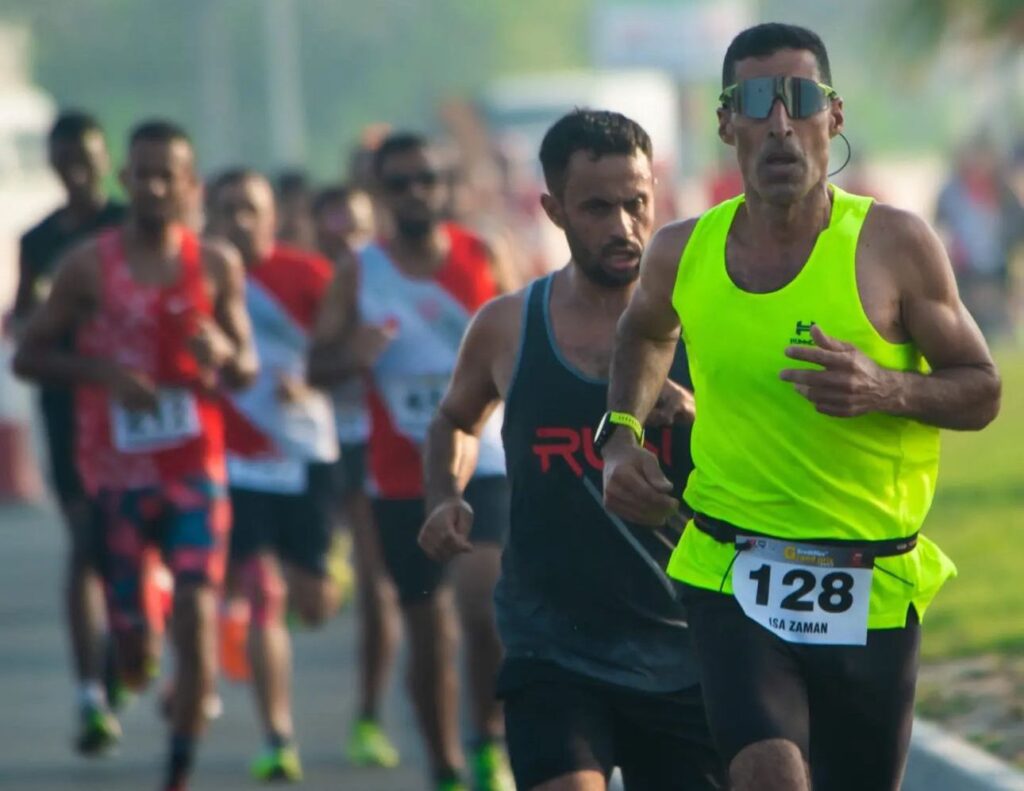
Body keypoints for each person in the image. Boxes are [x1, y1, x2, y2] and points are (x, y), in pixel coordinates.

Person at [600, 23, 1002, 791]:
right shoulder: (682, 251)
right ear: (727, 123)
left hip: (869, 576)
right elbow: (643, 333)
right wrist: (619, 434)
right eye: (756, 101)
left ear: (834, 115)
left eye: (800, 98)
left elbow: (981, 388)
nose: (779, 122)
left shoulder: (893, 245)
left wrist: (886, 388)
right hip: (733, 568)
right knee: (769, 777)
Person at [418, 109, 724, 791]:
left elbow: (772, 450)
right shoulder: (507, 327)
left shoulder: (708, 325)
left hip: (682, 647)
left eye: (636, 203)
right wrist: (444, 495)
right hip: (551, 646)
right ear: (553, 209)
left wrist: (697, 415)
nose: (622, 226)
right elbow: (455, 422)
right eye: (596, 207)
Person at [14, 119, 258, 791]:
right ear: (126, 179)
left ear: (188, 183)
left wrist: (225, 355)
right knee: (135, 654)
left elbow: (246, 366)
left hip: (193, 469)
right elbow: (31, 354)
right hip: (115, 475)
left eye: (166, 174)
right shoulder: (87, 265)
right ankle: (131, 664)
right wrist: (102, 375)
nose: (152, 186)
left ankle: (178, 770)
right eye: (141, 173)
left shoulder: (215, 263)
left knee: (198, 607)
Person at [309, 132, 512, 791]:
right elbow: (317, 365)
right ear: (379, 192)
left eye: (426, 179)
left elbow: (526, 342)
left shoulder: (481, 255)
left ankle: (489, 739)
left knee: (484, 605)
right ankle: (447, 762)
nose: (415, 193)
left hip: (486, 459)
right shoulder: (359, 273)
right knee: (430, 635)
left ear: (443, 184)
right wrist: (353, 355)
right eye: (399, 183)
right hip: (402, 476)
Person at [205, 168, 343, 781]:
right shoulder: (199, 276)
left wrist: (310, 379)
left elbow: (346, 353)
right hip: (233, 458)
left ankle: (311, 581)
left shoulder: (308, 274)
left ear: (272, 217)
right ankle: (278, 735)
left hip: (305, 450)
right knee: (265, 592)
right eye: (227, 209)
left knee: (313, 604)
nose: (239, 221)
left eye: (250, 209)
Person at [11, 110, 127, 754]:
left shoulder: (129, 229)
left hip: (137, 413)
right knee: (86, 542)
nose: (75, 172)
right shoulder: (37, 239)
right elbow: (21, 324)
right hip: (69, 410)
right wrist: (39, 317)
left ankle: (128, 652)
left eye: (85, 158)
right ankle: (90, 694)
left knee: (136, 544)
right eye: (63, 161)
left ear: (105, 160)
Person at [312, 182, 403, 768]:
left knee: (402, 589)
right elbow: (311, 364)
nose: (349, 241)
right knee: (378, 588)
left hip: (403, 442)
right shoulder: (307, 280)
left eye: (359, 230)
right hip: (336, 444)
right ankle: (370, 714)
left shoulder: (391, 276)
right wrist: (350, 353)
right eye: (336, 230)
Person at [935, 133, 1024, 339]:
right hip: (963, 274)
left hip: (997, 273)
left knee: (1000, 333)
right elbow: (940, 228)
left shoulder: (1004, 192)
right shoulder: (951, 193)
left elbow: (1017, 231)